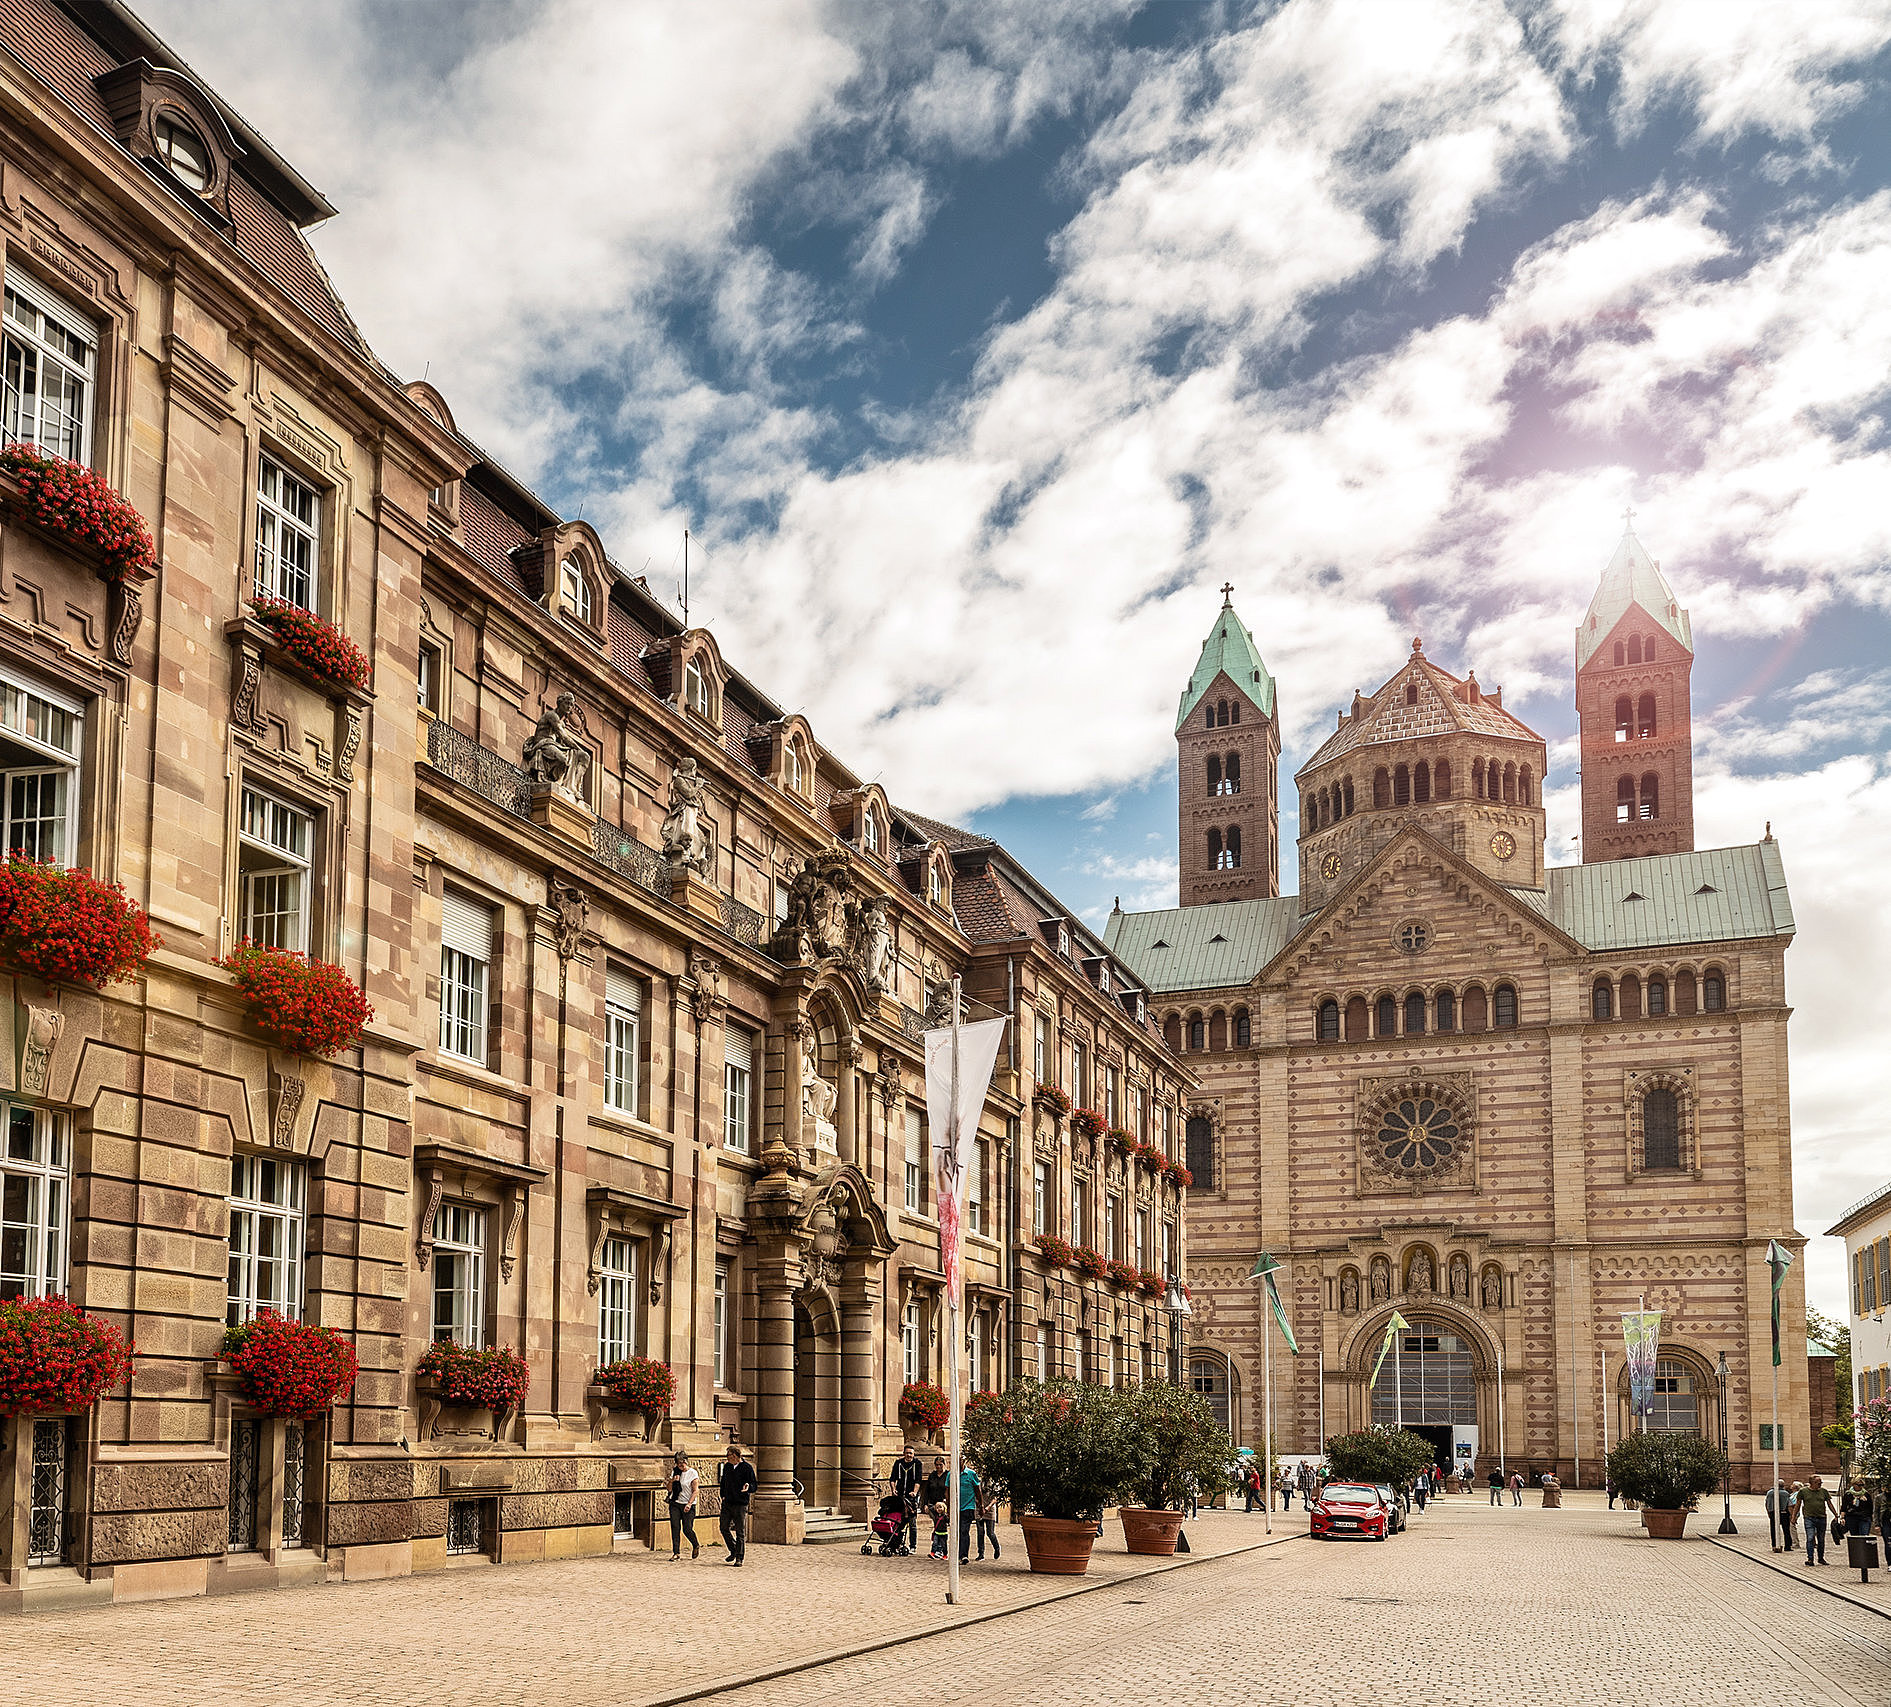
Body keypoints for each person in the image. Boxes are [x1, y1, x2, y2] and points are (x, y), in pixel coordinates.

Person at [716, 1444, 756, 1566]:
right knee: (723, 1528)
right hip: (727, 1502)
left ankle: (739, 1557)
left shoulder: (747, 1468)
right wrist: (722, 1494)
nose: (727, 1458)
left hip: (740, 1504)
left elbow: (754, 1485)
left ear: (735, 1456)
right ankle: (733, 1549)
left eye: (728, 1455)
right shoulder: (727, 1467)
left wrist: (748, 1487)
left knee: (740, 1532)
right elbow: (723, 1482)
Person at [666, 1450, 700, 1561]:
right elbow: (669, 1489)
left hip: (688, 1505)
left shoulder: (693, 1473)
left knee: (687, 1529)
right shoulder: (675, 1471)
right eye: (678, 1463)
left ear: (686, 1461)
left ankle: (695, 1545)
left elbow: (695, 1491)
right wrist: (672, 1481)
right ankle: (676, 1553)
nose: (680, 1465)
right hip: (675, 1503)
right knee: (675, 1527)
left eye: (682, 1462)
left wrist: (689, 1504)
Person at [891, 1445, 923, 1553]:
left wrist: (914, 1491)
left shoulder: (917, 1464)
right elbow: (892, 1478)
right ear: (904, 1453)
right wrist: (893, 1489)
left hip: (911, 1498)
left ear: (913, 1454)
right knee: (899, 1522)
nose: (909, 1455)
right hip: (900, 1496)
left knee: (912, 1522)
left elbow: (918, 1480)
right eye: (907, 1453)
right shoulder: (898, 1463)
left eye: (911, 1453)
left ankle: (913, 1546)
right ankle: (897, 1543)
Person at [1799, 1476, 1832, 1566]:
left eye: (1821, 1483)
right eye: (1818, 1483)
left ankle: (1820, 1558)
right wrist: (1794, 1517)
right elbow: (1798, 1504)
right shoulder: (1803, 1491)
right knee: (1810, 1538)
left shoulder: (1823, 1491)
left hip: (1821, 1517)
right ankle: (1810, 1558)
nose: (1820, 1484)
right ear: (1812, 1483)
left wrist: (1836, 1515)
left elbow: (1829, 1503)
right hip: (1809, 1518)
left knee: (1821, 1539)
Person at [973, 1475, 1001, 1560]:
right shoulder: (978, 1481)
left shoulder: (994, 1482)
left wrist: (988, 1507)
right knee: (980, 1532)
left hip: (990, 1509)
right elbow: (975, 1493)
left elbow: (996, 1497)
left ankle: (996, 1547)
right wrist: (979, 1505)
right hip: (979, 1508)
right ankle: (981, 1553)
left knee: (990, 1533)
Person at [957, 1461, 981, 1562]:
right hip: (956, 1508)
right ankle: (957, 1553)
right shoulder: (951, 1474)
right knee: (957, 1531)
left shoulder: (971, 1474)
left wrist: (981, 1505)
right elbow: (947, 1491)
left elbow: (977, 1490)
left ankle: (964, 1555)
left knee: (964, 1530)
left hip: (968, 1507)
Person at [1764, 1480, 1788, 1553]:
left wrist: (1768, 1512)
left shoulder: (1770, 1492)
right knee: (1786, 1529)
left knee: (1773, 1529)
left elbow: (1766, 1503)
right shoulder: (1785, 1493)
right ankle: (1787, 1545)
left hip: (1772, 1512)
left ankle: (1774, 1545)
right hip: (1784, 1512)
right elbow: (1788, 1504)